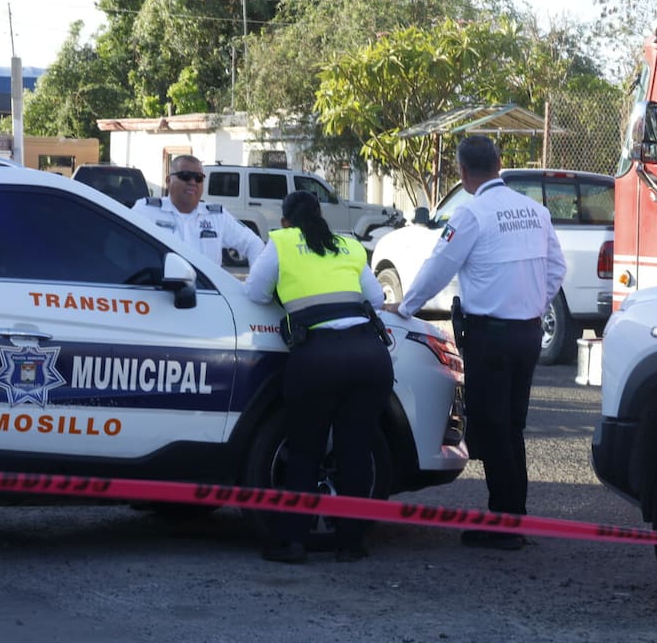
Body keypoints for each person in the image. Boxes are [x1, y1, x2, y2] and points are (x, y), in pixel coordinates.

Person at [385, 136, 566, 551]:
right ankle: (512, 515)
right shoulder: (536, 211)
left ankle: (503, 524)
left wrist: (406, 306)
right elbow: (557, 268)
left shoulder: (471, 215)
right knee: (513, 426)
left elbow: (439, 265)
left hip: (490, 337)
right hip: (526, 333)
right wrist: (532, 303)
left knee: (491, 426)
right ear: (500, 164)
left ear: (463, 173)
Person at [244, 190, 394, 564]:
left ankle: (294, 542)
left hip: (318, 357)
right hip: (368, 356)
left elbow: (254, 292)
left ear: (285, 221)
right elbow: (375, 299)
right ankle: (351, 543)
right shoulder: (347, 245)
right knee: (355, 450)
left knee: (306, 450)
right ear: (321, 216)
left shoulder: (282, 243)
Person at [131, 154, 264, 265]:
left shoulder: (217, 216)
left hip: (205, 294)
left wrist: (254, 287)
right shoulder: (146, 210)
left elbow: (254, 244)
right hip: (158, 291)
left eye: (198, 178)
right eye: (185, 176)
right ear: (168, 181)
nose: (193, 182)